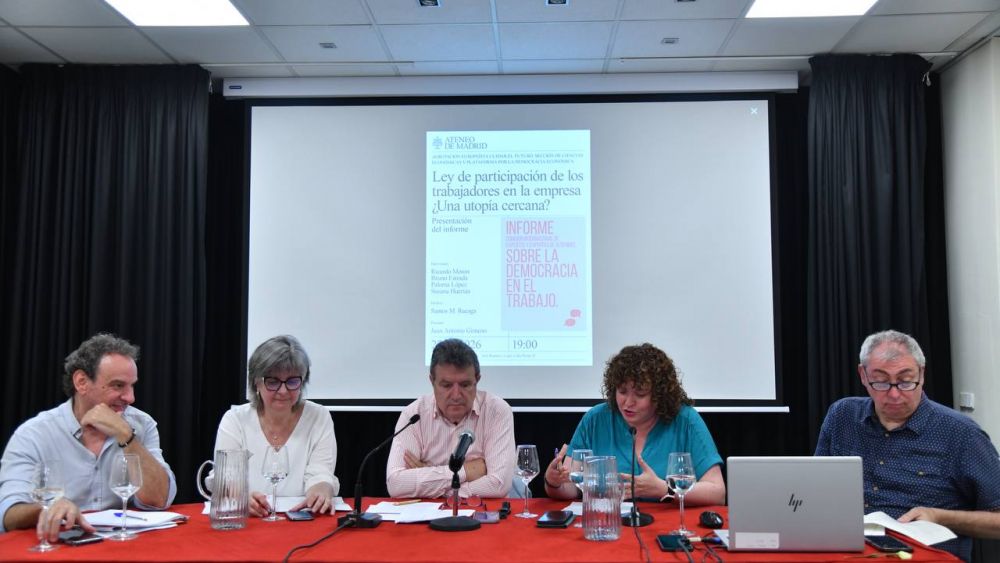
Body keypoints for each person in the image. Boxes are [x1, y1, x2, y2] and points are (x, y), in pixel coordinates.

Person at [816, 329, 1000, 561]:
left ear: (921, 374)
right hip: (847, 550)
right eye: (881, 382)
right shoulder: (843, 416)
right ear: (863, 375)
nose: (894, 395)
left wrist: (939, 517)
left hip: (922, 555)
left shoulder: (960, 434)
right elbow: (816, 492)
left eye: (905, 382)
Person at [0, 333, 176, 540]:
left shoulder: (142, 424)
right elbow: (8, 514)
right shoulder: (34, 434)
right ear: (82, 382)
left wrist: (126, 436)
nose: (131, 397)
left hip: (124, 548)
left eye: (132, 385)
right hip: (59, 547)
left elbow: (158, 500)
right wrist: (48, 509)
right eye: (118, 385)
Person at [544, 343, 725, 505]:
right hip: (609, 526)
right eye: (622, 391)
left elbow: (717, 492)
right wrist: (554, 482)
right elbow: (571, 489)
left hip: (668, 528)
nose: (628, 402)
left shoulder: (685, 420)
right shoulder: (595, 419)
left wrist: (664, 489)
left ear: (659, 395)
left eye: (640, 394)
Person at [211, 335, 339, 516]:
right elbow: (225, 479)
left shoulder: (319, 416)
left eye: (293, 381)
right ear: (256, 383)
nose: (283, 391)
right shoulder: (235, 419)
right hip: (250, 524)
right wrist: (239, 497)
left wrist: (321, 489)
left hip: (300, 523)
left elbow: (320, 473)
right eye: (273, 382)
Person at [386, 338, 515, 499]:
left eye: (465, 385)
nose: (456, 395)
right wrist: (467, 471)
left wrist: (431, 480)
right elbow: (396, 484)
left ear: (477, 380)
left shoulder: (496, 411)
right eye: (446, 385)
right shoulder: (414, 415)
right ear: (432, 381)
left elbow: (498, 485)